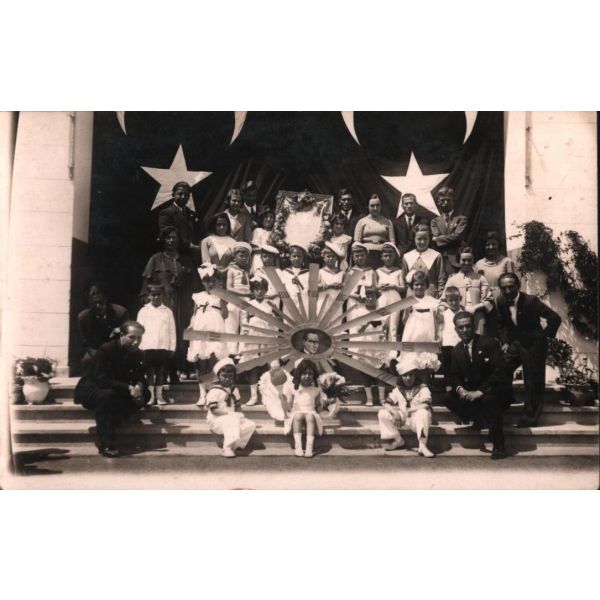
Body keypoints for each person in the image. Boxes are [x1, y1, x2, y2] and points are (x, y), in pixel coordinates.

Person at [74, 321, 150, 457]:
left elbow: (140, 375)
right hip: (95, 388)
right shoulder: (107, 349)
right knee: (108, 397)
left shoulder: (137, 353)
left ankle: (118, 416)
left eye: (139, 338)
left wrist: (139, 386)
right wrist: (129, 387)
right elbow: (101, 379)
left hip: (118, 388)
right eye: (132, 337)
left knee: (146, 394)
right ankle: (106, 444)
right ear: (121, 335)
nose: (136, 342)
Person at [496, 272, 562, 427]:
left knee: (532, 381)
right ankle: (506, 400)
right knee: (502, 369)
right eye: (503, 288)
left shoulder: (531, 301)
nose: (507, 291)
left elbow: (555, 318)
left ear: (518, 286)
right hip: (516, 343)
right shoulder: (501, 301)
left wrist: (543, 336)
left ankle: (530, 417)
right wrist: (505, 341)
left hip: (534, 344)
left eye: (511, 287)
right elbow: (502, 323)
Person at [444, 311, 512, 460]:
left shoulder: (489, 343)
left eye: (468, 326)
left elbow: (501, 372)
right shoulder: (456, 350)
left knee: (489, 400)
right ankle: (478, 417)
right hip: (473, 393)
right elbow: (454, 375)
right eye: (460, 327)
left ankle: (498, 445)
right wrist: (460, 389)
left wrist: (480, 391)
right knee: (448, 398)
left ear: (474, 327)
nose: (464, 330)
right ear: (456, 330)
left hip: (494, 390)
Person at [140, 226, 197, 383]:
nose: (171, 240)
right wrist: (147, 301)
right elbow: (146, 283)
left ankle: (179, 370)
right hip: (163, 303)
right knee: (163, 335)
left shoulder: (186, 260)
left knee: (180, 336)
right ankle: (164, 372)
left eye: (174, 237)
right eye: (168, 237)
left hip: (183, 303)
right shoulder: (156, 259)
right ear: (163, 240)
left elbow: (194, 285)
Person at [187, 264, 229, 407]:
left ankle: (213, 393)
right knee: (201, 363)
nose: (210, 284)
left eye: (213, 281)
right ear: (203, 282)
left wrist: (223, 300)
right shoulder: (198, 296)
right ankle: (202, 394)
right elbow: (194, 314)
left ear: (217, 281)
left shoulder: (220, 296)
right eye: (207, 281)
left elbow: (225, 315)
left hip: (215, 328)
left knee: (214, 361)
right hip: (200, 329)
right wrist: (191, 325)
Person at [378, 353, 435, 457]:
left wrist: (409, 411)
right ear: (401, 377)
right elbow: (386, 403)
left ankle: (422, 446)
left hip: (418, 422)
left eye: (411, 375)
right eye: (405, 375)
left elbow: (426, 404)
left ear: (415, 375)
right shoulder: (399, 389)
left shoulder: (422, 388)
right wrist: (394, 412)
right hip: (403, 421)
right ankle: (398, 440)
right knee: (382, 413)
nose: (408, 378)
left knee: (422, 412)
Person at [205, 358, 256, 458]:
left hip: (232, 418)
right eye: (224, 376)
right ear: (218, 376)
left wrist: (240, 415)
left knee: (250, 424)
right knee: (231, 420)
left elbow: (238, 406)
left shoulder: (234, 390)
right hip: (216, 420)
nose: (227, 379)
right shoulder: (214, 391)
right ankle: (227, 448)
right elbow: (214, 411)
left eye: (230, 376)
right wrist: (231, 414)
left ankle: (236, 444)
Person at [136, 284, 176, 406]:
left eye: (158, 295)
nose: (156, 297)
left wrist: (172, 347)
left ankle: (159, 396)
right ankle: (151, 396)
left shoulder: (167, 311)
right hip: (147, 346)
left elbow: (172, 330)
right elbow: (138, 330)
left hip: (162, 346)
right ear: (149, 296)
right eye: (153, 295)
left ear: (162, 295)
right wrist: (139, 346)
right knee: (150, 372)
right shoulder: (143, 311)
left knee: (160, 371)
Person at [240, 275, 277, 406]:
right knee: (253, 366)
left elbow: (276, 322)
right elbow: (244, 320)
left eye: (262, 289)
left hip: (267, 335)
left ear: (266, 290)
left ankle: (270, 395)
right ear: (252, 290)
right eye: (256, 289)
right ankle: (254, 396)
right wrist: (245, 334)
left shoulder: (271, 304)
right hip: (252, 335)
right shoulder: (248, 304)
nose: (259, 291)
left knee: (271, 365)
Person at [349, 286, 388, 406]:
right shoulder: (359, 312)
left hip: (378, 345)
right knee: (365, 372)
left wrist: (383, 334)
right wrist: (368, 322)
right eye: (368, 296)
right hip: (365, 344)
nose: (370, 299)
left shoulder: (382, 311)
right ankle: (369, 398)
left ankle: (382, 398)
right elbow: (358, 330)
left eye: (372, 296)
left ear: (376, 298)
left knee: (380, 372)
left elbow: (385, 328)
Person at [282, 358, 329, 458]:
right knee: (298, 416)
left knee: (310, 417)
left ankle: (309, 448)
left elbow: (317, 409)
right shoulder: (295, 388)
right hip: (297, 413)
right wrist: (285, 402)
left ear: (314, 375)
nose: (307, 376)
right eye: (304, 373)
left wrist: (325, 404)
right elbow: (289, 406)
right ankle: (298, 447)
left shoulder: (316, 389)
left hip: (311, 412)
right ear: (298, 374)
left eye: (310, 373)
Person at [77, 284, 129, 370]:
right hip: (95, 350)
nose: (98, 306)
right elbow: (85, 342)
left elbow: (125, 336)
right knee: (87, 361)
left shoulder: (120, 313)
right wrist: (97, 355)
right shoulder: (83, 317)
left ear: (106, 300)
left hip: (115, 348)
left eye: (100, 302)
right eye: (94, 303)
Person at [443, 247, 493, 335]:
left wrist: (475, 308)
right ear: (459, 261)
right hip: (458, 317)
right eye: (463, 260)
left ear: (473, 261)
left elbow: (488, 300)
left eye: (469, 260)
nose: (466, 263)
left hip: (477, 317)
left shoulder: (481, 278)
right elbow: (443, 300)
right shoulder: (452, 280)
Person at [475, 231, 516, 337]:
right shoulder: (479, 264)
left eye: (493, 244)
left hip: (502, 299)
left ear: (499, 245)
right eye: (487, 244)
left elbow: (513, 284)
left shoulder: (507, 261)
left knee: (505, 329)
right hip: (484, 301)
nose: (491, 247)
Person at [157, 182, 204, 262]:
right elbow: (169, 236)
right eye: (180, 194)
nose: (183, 197)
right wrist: (190, 246)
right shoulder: (166, 213)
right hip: (175, 257)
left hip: (193, 256)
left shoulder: (191, 213)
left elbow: (199, 232)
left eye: (186, 195)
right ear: (173, 195)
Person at [430, 186, 468, 275]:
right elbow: (436, 237)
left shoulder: (461, 219)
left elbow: (458, 237)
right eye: (442, 200)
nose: (446, 203)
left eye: (448, 200)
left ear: (453, 201)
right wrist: (450, 237)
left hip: (456, 260)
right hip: (439, 258)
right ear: (438, 202)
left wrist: (438, 239)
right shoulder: (434, 221)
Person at [401, 224, 446, 298]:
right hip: (412, 295)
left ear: (429, 239)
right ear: (414, 239)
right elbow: (404, 280)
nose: (422, 242)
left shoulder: (436, 255)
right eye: (419, 239)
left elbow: (441, 279)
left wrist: (440, 296)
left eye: (425, 239)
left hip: (430, 294)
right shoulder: (407, 256)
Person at [353, 194, 396, 267]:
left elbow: (392, 242)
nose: (375, 208)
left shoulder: (388, 222)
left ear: (381, 206)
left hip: (383, 255)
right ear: (368, 206)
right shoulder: (361, 221)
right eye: (372, 206)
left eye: (377, 205)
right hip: (366, 255)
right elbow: (356, 242)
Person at [376, 242, 406, 342]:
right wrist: (380, 287)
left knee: (393, 325)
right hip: (382, 298)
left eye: (390, 256)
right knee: (382, 323)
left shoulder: (398, 271)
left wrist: (394, 287)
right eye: (385, 256)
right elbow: (374, 287)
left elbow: (403, 288)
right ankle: (381, 347)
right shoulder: (378, 271)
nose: (388, 258)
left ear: (394, 257)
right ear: (381, 257)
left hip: (394, 298)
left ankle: (392, 348)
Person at [436, 286, 464, 392]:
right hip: (447, 344)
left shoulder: (463, 312)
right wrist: (440, 340)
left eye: (456, 300)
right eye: (451, 300)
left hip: (460, 343)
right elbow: (440, 328)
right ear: (446, 301)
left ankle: (461, 386)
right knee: (448, 366)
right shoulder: (444, 314)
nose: (454, 303)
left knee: (461, 365)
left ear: (460, 299)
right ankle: (448, 387)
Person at [401, 271, 440, 345]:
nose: (419, 287)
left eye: (422, 284)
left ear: (426, 285)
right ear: (412, 286)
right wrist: (407, 311)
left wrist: (437, 333)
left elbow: (435, 320)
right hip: (412, 333)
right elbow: (404, 321)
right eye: (416, 284)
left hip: (428, 333)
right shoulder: (409, 301)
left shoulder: (432, 301)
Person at [346, 242, 377, 322]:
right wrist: (354, 296)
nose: (360, 258)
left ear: (366, 256)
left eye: (362, 255)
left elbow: (375, 288)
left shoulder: (371, 271)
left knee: (367, 325)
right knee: (353, 325)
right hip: (353, 303)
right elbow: (345, 291)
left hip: (368, 302)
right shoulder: (350, 272)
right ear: (353, 257)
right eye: (357, 256)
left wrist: (369, 295)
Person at [318, 242, 346, 326]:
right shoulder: (320, 272)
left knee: (336, 326)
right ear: (324, 258)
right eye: (328, 256)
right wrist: (330, 286)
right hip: (323, 303)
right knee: (322, 326)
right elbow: (314, 288)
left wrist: (342, 287)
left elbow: (346, 290)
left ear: (336, 258)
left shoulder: (342, 273)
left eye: (333, 256)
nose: (331, 259)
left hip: (336, 304)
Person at [279, 244, 310, 316]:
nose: (296, 258)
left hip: (304, 304)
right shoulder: (285, 272)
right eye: (294, 256)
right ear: (290, 257)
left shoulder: (308, 273)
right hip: (289, 305)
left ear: (303, 258)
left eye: (299, 256)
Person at [250, 207, 275, 274]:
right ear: (262, 218)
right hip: (258, 259)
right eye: (266, 217)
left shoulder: (275, 233)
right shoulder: (257, 230)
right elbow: (254, 248)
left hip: (271, 260)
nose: (269, 219)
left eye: (271, 217)